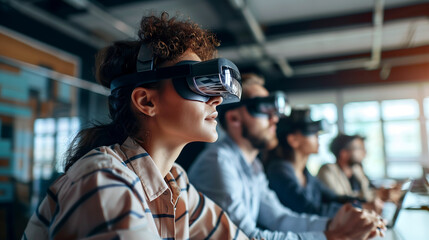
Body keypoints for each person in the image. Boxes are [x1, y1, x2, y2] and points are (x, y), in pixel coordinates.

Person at [22, 12, 248, 240]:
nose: (217, 99)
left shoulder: (175, 182)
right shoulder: (102, 178)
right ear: (146, 101)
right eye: (198, 83)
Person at [188, 73, 385, 240]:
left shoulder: (253, 165)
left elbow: (279, 218)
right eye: (263, 109)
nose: (274, 119)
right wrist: (332, 235)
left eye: (274, 112)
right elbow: (247, 236)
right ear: (233, 118)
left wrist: (336, 223)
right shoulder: (218, 161)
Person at [265, 109, 367, 218]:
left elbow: (333, 197)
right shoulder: (279, 170)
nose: (317, 137)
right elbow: (307, 209)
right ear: (293, 140)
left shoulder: (304, 172)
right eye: (311, 132)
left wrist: (361, 204)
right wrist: (356, 209)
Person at [317, 133, 401, 204]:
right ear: (344, 153)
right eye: (360, 149)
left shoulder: (357, 170)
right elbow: (342, 200)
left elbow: (368, 191)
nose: (364, 153)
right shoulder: (328, 170)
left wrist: (384, 193)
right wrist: (379, 195)